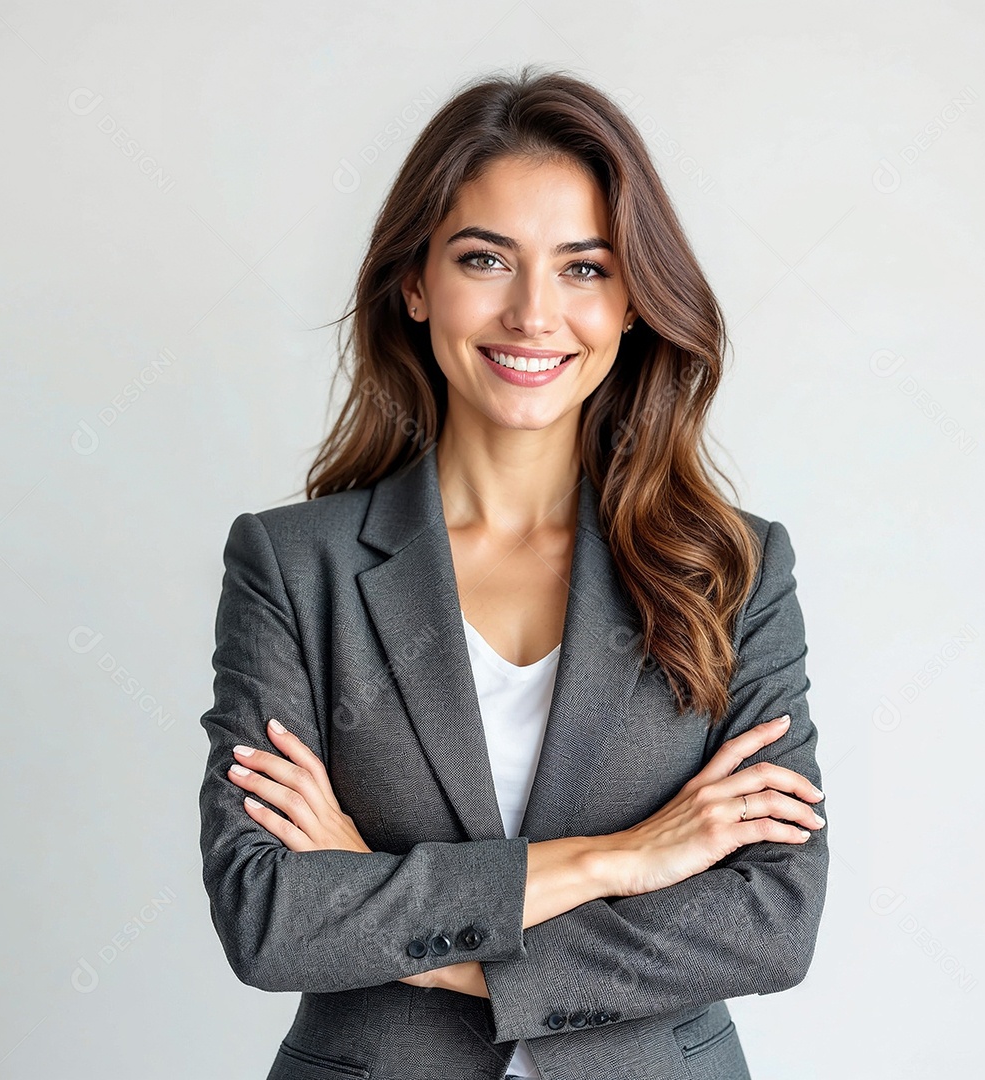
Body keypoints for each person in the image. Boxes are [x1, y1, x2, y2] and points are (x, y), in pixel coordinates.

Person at [198, 65, 829, 1080]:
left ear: (632, 303)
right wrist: (620, 858)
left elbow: (768, 922)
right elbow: (269, 917)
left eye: (584, 268)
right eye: (487, 259)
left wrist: (388, 904)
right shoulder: (291, 566)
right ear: (415, 282)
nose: (534, 313)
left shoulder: (733, 569)